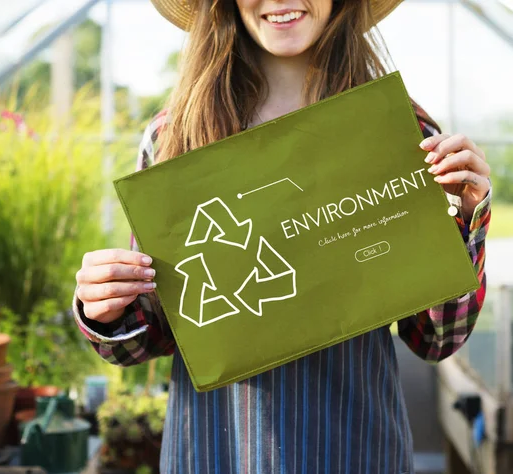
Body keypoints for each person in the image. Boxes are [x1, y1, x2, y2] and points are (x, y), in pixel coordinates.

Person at [73, 0, 492, 472]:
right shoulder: (176, 137)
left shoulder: (401, 131)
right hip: (218, 451)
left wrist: (466, 219)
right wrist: (106, 306)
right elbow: (153, 334)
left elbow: (435, 338)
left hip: (354, 448)